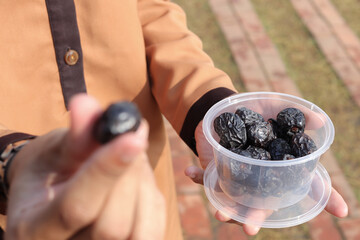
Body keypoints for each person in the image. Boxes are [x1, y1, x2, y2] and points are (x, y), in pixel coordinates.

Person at [0, 0, 348, 239]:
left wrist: (208, 108)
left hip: (144, 186)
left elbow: (151, 10)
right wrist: (10, 158)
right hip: (20, 209)